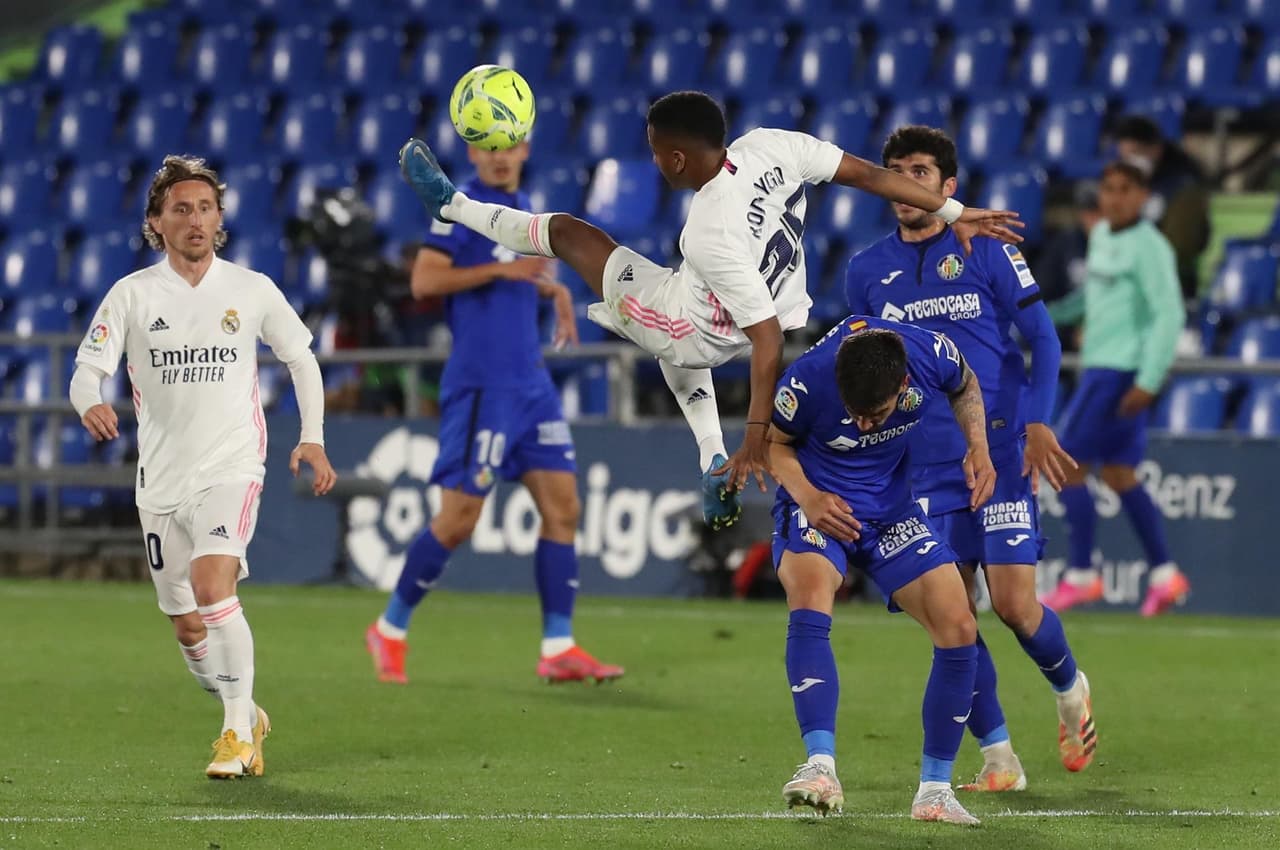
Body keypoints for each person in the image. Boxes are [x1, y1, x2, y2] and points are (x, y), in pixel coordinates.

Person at [397, 90, 1023, 531]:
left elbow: (768, 343)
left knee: (568, 234)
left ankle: (451, 207)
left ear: (673, 158)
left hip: (713, 328)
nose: (652, 161)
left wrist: (755, 441)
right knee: (671, 298)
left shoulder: (709, 230)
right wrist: (951, 210)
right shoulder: (771, 147)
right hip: (764, 303)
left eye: (653, 152)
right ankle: (707, 458)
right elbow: (869, 175)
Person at [69, 155, 338, 778]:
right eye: (182, 209)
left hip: (232, 467)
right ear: (156, 223)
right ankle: (244, 711)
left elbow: (301, 359)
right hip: (160, 483)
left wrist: (313, 437)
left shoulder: (251, 289)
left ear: (220, 220)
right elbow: (87, 372)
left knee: (215, 586)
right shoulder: (132, 296)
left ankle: (235, 735)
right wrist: (90, 404)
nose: (196, 219)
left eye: (206, 208)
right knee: (189, 626)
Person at [846, 126, 1096, 788]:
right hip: (921, 464)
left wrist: (1040, 421)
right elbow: (864, 373)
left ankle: (1071, 690)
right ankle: (998, 754)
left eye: (921, 170)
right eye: (896, 171)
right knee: (950, 615)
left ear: (949, 186)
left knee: (1014, 605)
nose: (908, 183)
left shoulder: (986, 247)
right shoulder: (866, 272)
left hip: (1002, 450)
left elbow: (1042, 336)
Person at [365, 140, 624, 685]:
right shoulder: (458, 208)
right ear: (472, 153)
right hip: (482, 387)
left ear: (527, 148)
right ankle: (390, 628)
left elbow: (521, 275)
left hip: (531, 386)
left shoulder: (526, 204)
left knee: (564, 509)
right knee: (458, 520)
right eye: (487, 149)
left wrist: (552, 295)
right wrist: (495, 274)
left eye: (508, 147)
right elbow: (424, 281)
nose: (499, 158)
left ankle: (558, 646)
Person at [768, 319, 994, 825]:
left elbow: (967, 384)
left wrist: (978, 445)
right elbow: (773, 445)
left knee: (959, 626)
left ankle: (935, 792)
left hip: (892, 511)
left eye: (876, 415)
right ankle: (819, 766)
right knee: (810, 593)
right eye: (855, 415)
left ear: (904, 385)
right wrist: (808, 497)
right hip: (821, 504)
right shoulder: (807, 380)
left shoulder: (930, 353)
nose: (865, 426)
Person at [1041, 162, 1189, 617]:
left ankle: (1082, 575)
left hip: (1120, 373)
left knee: (1066, 467)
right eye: (1109, 189)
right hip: (1100, 369)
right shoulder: (1103, 236)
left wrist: (1149, 379)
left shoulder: (1152, 248)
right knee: (1121, 474)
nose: (1115, 197)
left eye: (1126, 190)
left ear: (1143, 195)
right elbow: (1091, 299)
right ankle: (1166, 575)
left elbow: (1170, 315)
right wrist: (1047, 315)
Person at [1113, 114, 1210, 302]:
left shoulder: (1183, 188)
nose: (1130, 161)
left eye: (1136, 153)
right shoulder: (1121, 186)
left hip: (1170, 285)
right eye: (1125, 155)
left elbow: (1180, 247)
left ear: (1156, 150)